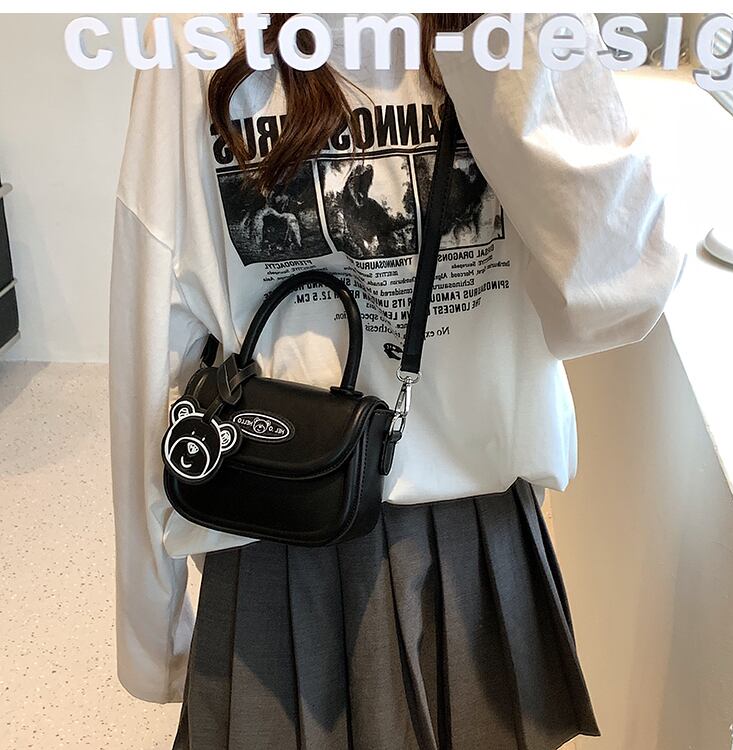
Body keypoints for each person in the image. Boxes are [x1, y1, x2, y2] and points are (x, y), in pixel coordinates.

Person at [110, 13, 684, 750]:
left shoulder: (511, 24)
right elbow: (150, 323)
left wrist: (156, 637)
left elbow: (620, 293)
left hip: (465, 540)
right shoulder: (197, 30)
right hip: (283, 525)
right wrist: (152, 625)